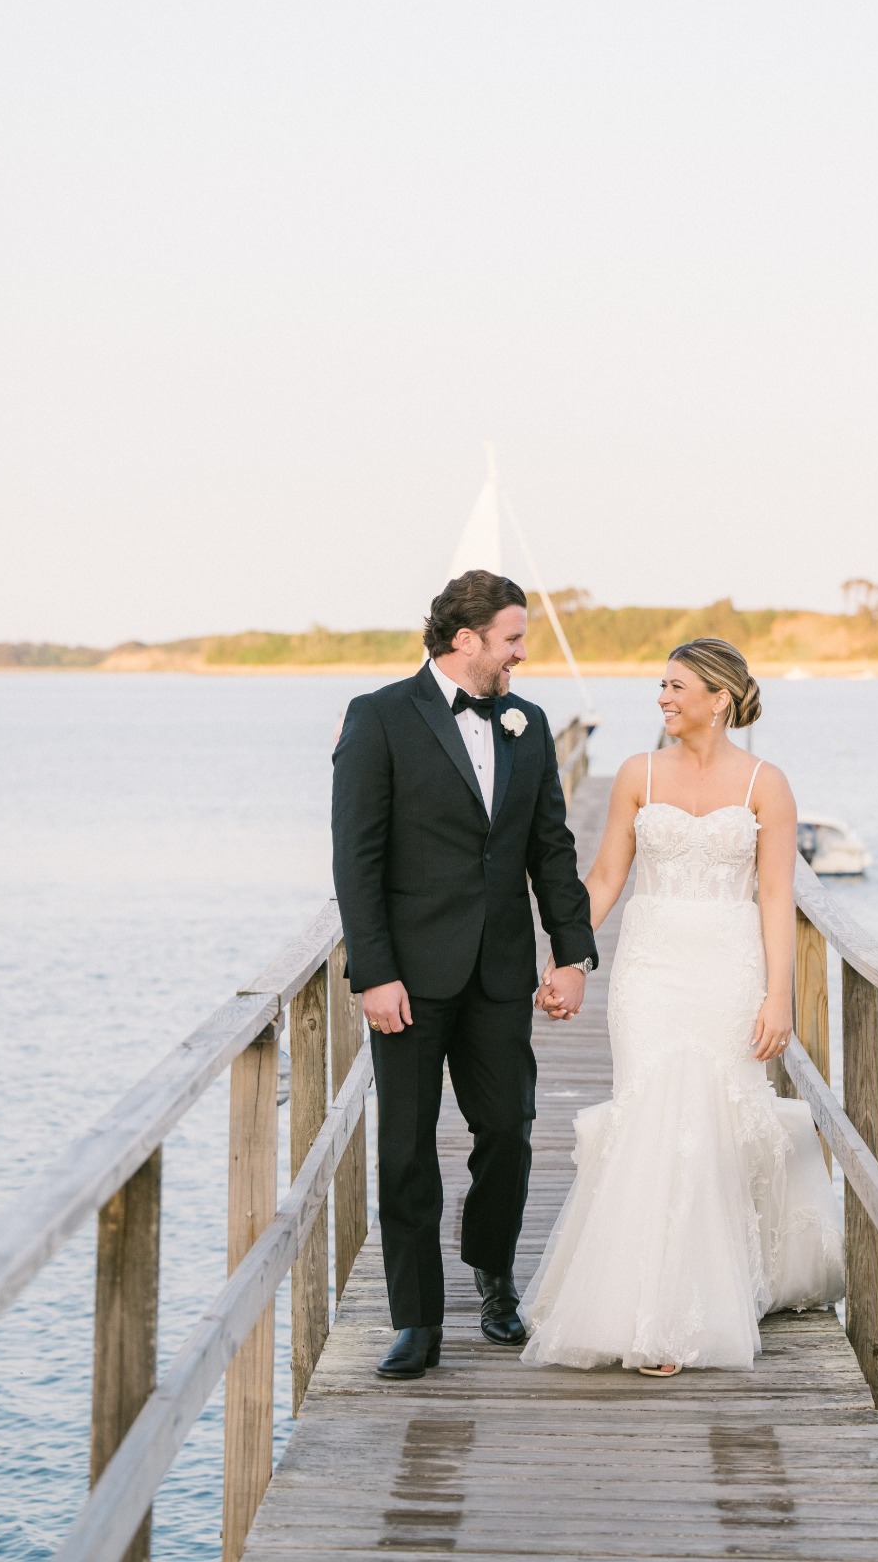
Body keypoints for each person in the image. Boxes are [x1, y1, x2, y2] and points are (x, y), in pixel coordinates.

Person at [520, 637, 843, 1374]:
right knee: (651, 1116)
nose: (662, 698)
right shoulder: (638, 773)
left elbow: (774, 895)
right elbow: (603, 878)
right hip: (651, 968)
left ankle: (694, 1304)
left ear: (718, 699)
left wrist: (777, 997)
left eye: (675, 686)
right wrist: (568, 958)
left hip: (727, 966)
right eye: (660, 686)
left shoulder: (768, 783)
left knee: (715, 1123)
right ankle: (641, 1307)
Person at [331, 569, 597, 1380]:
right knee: (407, 1148)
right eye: (512, 639)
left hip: (498, 972)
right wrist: (374, 973)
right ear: (466, 640)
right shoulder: (378, 718)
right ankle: (416, 1320)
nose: (522, 653)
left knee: (509, 1132)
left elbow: (551, 847)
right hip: (407, 978)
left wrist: (573, 951)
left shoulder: (528, 722)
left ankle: (493, 1277)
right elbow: (357, 858)